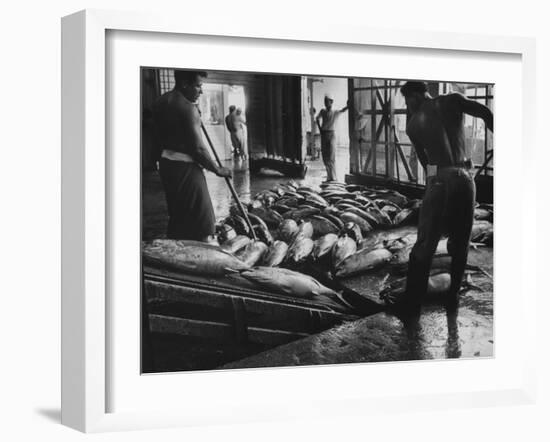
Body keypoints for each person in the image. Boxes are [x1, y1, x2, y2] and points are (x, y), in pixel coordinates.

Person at [396, 81, 493, 311]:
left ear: (412, 97)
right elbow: (485, 112)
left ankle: (413, 301)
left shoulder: (413, 124)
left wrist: (432, 185)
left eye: (407, 101)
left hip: (440, 178)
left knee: (425, 243)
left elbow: (426, 161)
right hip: (465, 178)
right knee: (461, 241)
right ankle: (453, 295)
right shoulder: (453, 99)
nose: (408, 105)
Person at [152, 69, 232, 241]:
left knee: (179, 214)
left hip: (167, 165)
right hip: (186, 167)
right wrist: (218, 169)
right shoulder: (188, 108)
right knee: (204, 221)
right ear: (184, 84)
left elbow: (158, 137)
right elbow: (198, 149)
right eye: (198, 86)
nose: (201, 91)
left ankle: (179, 249)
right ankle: (202, 256)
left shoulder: (160, 102)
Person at [315, 93, 348, 182]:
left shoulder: (335, 111)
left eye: (327, 101)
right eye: (324, 101)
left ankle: (333, 177)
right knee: (325, 156)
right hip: (324, 134)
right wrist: (320, 129)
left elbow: (343, 110)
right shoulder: (323, 111)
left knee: (331, 156)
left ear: (331, 102)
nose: (325, 103)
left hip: (332, 134)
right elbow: (317, 118)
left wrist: (348, 105)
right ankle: (329, 176)